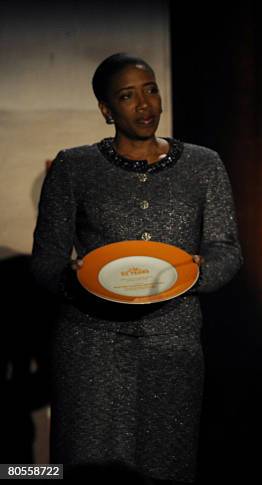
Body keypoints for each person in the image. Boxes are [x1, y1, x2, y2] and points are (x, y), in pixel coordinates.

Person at [31, 53, 242, 484]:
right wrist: (78, 281)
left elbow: (227, 250)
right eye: (127, 96)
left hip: (172, 344)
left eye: (151, 90)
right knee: (89, 468)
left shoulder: (204, 165)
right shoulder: (74, 166)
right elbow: (45, 263)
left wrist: (199, 272)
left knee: (166, 465)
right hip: (90, 345)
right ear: (106, 110)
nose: (145, 105)